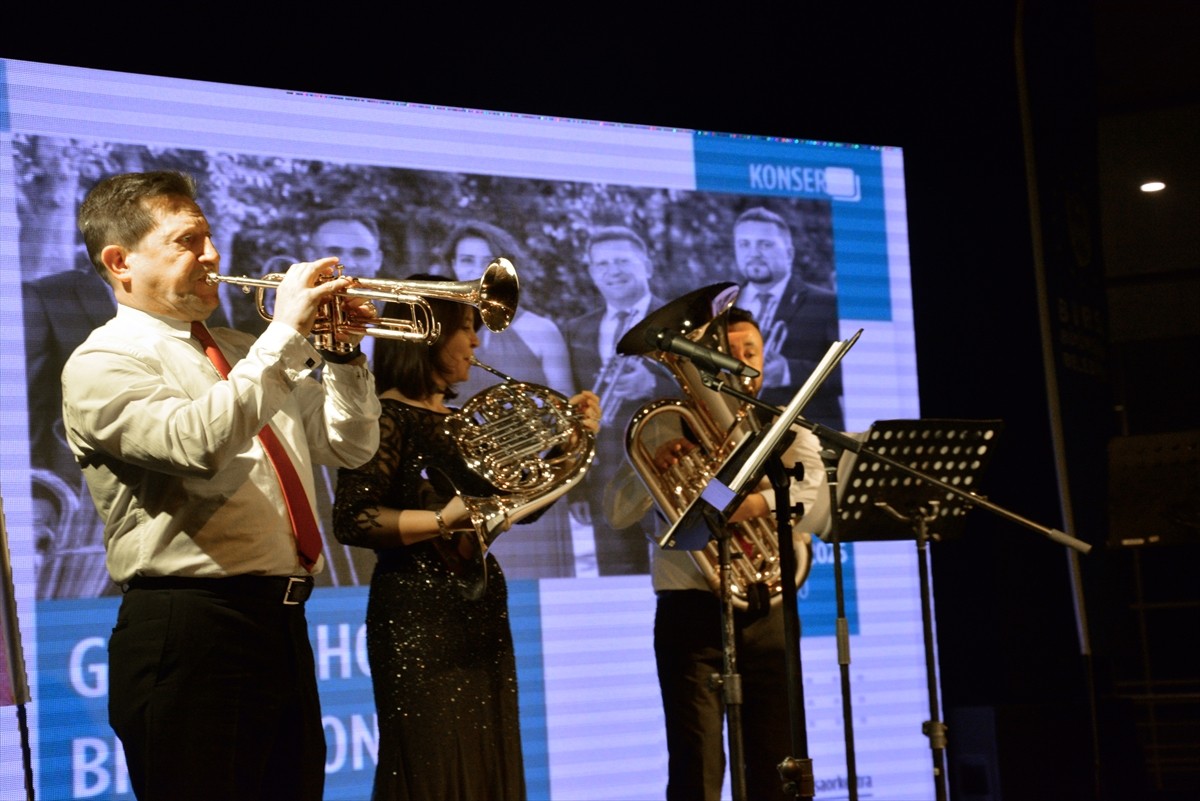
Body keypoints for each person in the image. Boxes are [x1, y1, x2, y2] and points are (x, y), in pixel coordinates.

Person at [59, 170, 382, 801]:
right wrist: (285, 336)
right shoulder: (102, 361)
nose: (212, 256)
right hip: (189, 627)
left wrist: (343, 358)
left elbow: (349, 446)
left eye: (208, 237)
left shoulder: (242, 351)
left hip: (282, 625)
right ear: (120, 263)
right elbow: (196, 444)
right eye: (187, 241)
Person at [331, 277, 601, 801]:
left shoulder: (459, 423)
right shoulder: (381, 417)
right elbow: (353, 519)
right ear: (427, 333)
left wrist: (571, 445)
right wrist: (440, 521)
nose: (477, 342)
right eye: (467, 328)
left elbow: (511, 509)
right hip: (417, 617)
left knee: (484, 765)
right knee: (432, 768)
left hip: (480, 609)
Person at [649, 306, 830, 801]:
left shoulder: (787, 427)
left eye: (751, 351)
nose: (743, 361)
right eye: (729, 352)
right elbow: (617, 513)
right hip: (691, 611)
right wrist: (658, 469)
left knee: (776, 761)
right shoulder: (666, 427)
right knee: (697, 769)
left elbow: (815, 497)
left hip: (768, 609)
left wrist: (758, 503)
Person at [440, 219, 578, 577]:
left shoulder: (541, 329)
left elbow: (562, 413)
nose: (476, 270)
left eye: (487, 261)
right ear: (452, 265)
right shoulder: (439, 334)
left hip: (529, 481)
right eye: (466, 260)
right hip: (463, 481)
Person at [561, 224, 676, 575]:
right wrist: (576, 487)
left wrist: (654, 384)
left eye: (622, 261)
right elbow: (571, 415)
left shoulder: (680, 321)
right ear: (592, 273)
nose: (612, 271)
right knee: (618, 577)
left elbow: (712, 391)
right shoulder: (576, 330)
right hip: (606, 480)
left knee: (680, 577)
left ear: (647, 266)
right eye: (602, 264)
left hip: (673, 471)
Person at [733, 206, 845, 430]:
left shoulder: (827, 304)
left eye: (765, 244)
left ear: (789, 254)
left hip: (808, 438)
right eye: (744, 244)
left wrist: (788, 372)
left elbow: (851, 374)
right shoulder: (721, 308)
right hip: (739, 438)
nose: (753, 253)